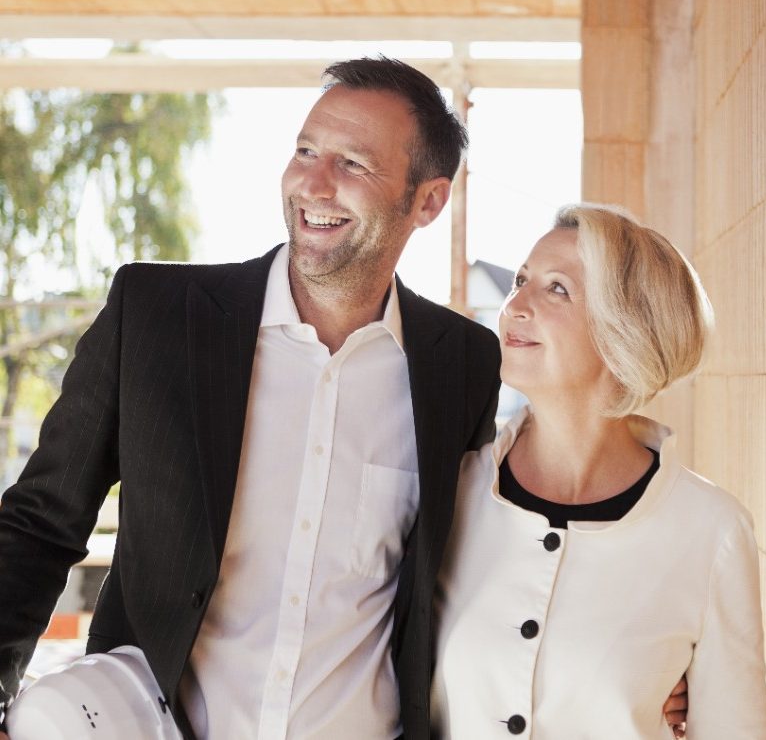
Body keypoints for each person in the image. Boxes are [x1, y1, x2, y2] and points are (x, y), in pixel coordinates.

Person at [0, 57, 502, 740]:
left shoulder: (463, 364)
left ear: (427, 200)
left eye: (352, 163)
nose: (312, 183)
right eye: (304, 150)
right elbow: (39, 522)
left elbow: (475, 566)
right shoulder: (156, 316)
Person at [431, 204, 766, 738]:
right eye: (521, 280)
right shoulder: (449, 490)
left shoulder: (713, 533)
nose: (515, 304)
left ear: (623, 332)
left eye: (557, 289)